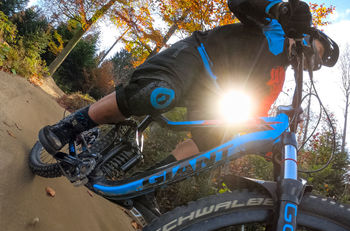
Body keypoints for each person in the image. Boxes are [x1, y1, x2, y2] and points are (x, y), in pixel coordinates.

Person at [39, 0, 339, 167]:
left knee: (213, 141)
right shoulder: (275, 26)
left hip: (214, 94)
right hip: (196, 56)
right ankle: (68, 128)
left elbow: (254, 112)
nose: (310, 60)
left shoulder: (278, 77)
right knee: (156, 94)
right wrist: (278, 7)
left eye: (315, 63)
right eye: (315, 50)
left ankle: (148, 183)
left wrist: (267, 135)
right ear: (305, 36)